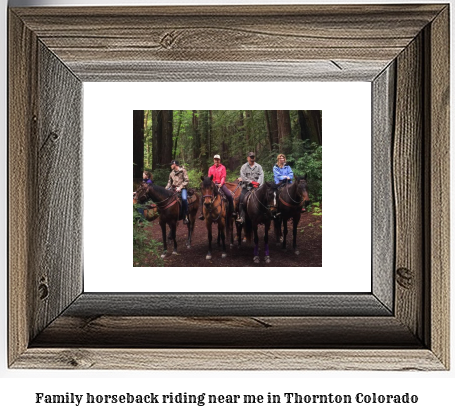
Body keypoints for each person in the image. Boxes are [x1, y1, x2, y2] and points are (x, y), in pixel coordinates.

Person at [199, 154, 234, 220]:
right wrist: (212, 184)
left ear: (219, 160)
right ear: (214, 160)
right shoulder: (210, 168)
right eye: (215, 159)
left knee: (229, 195)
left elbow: (223, 176)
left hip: (221, 184)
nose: (216, 161)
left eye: (217, 159)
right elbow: (209, 178)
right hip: (212, 185)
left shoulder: (223, 167)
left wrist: (221, 183)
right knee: (202, 197)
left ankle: (232, 211)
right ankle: (202, 213)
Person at [236, 151, 264, 224]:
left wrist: (258, 183)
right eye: (251, 157)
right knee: (241, 199)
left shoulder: (259, 167)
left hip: (257, 187)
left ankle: (266, 216)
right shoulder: (244, 167)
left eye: (253, 157)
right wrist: (251, 182)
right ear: (247, 158)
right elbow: (243, 177)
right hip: (247, 187)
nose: (252, 158)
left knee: (265, 198)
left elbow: (261, 176)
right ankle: (241, 216)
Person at [166, 160, 190, 224]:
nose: (171, 166)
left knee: (184, 199)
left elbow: (186, 180)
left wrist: (180, 187)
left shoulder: (183, 171)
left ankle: (185, 216)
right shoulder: (171, 173)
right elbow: (169, 182)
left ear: (175, 164)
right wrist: (165, 189)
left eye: (171, 164)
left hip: (182, 188)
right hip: (173, 188)